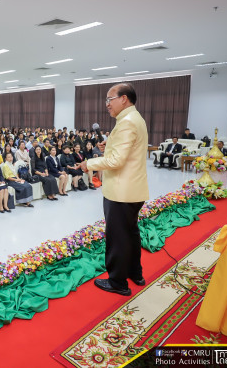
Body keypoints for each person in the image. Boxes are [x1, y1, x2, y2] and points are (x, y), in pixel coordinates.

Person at [81, 82, 149, 296]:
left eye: (110, 99)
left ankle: (118, 281)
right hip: (133, 189)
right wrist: (108, 145)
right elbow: (124, 151)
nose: (107, 104)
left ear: (124, 99)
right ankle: (135, 272)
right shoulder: (134, 118)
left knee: (118, 237)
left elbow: (117, 161)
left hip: (121, 191)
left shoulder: (126, 122)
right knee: (130, 233)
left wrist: (89, 164)